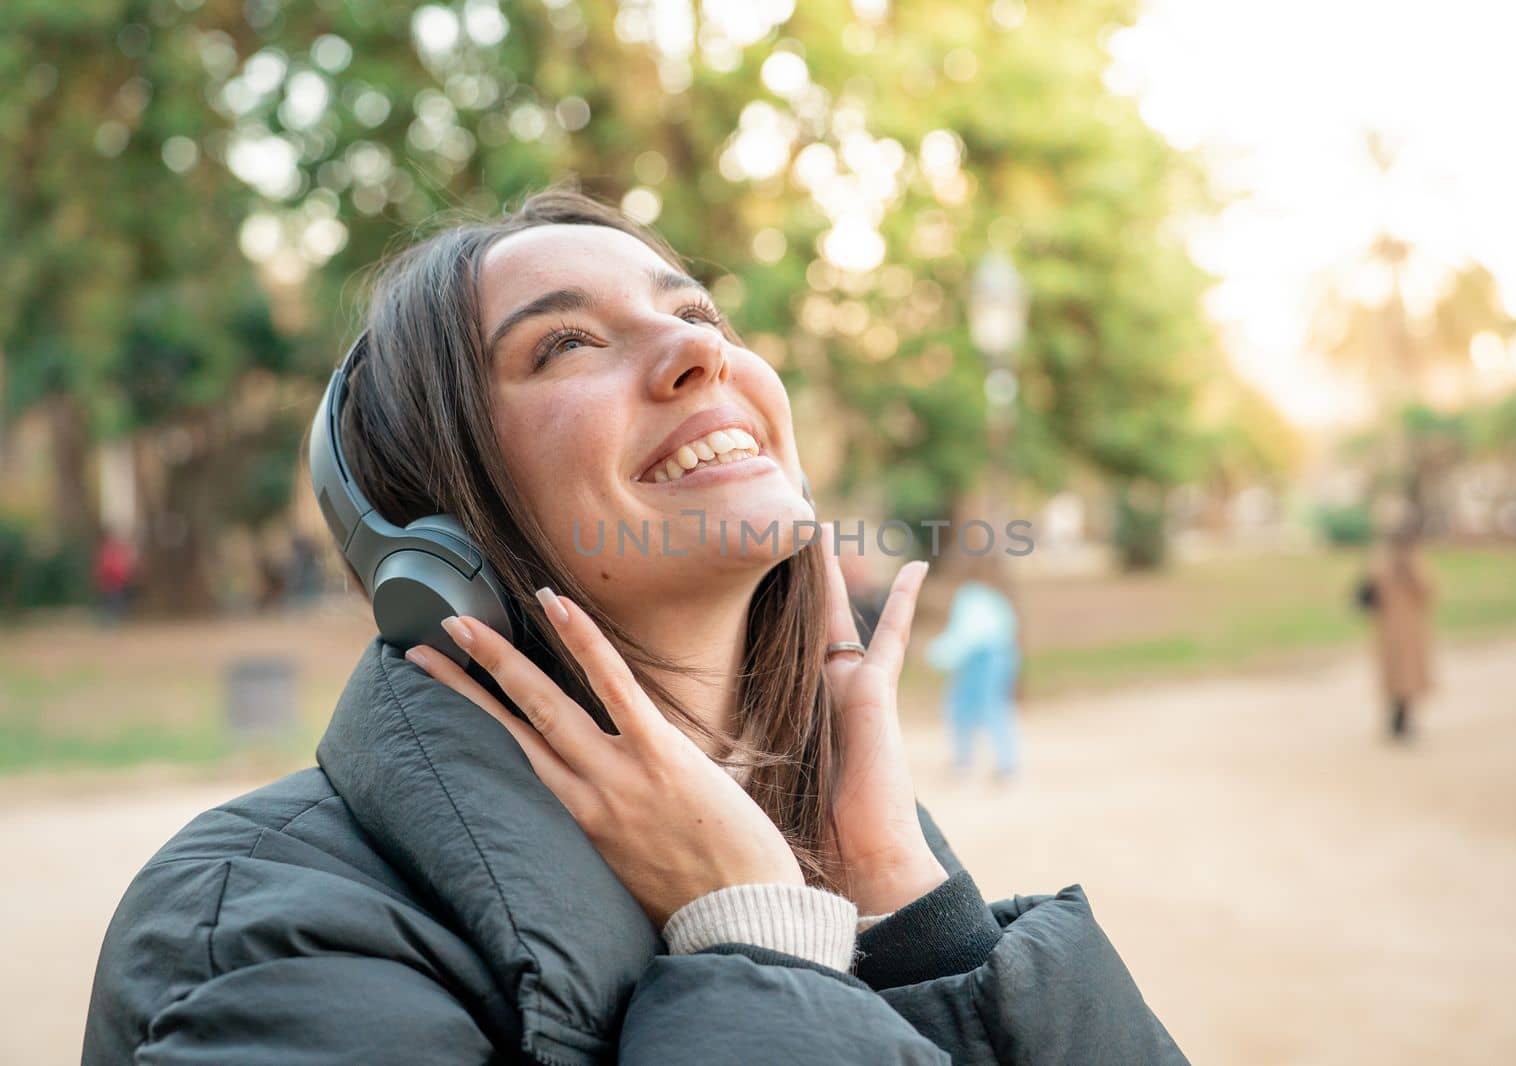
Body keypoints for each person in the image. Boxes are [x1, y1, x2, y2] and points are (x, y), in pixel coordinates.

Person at [84, 187, 1187, 1064]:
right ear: (435, 542)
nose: (700, 353)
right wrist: (757, 941)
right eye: (562, 344)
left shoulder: (857, 852)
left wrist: (912, 913)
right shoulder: (264, 934)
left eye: (696, 314)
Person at [925, 557, 1023, 781]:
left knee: (963, 707)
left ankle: (967, 760)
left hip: (980, 659)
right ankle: (1004, 762)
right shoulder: (996, 598)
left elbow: (965, 635)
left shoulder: (970, 597)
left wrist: (939, 655)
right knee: (992, 707)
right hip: (1000, 656)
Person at [1360, 523, 1437, 741]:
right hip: (1390, 628)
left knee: (1407, 677)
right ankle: (1396, 718)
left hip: (1407, 628)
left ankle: (1403, 719)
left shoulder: (1412, 563)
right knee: (1394, 676)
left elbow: (1427, 592)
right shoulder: (1381, 563)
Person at [90, 532, 136, 626]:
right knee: (110, 602)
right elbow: (104, 567)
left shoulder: (116, 552)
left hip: (116, 583)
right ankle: (108, 621)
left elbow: (122, 567)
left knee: (114, 602)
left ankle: (112, 621)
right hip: (109, 582)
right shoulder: (110, 552)